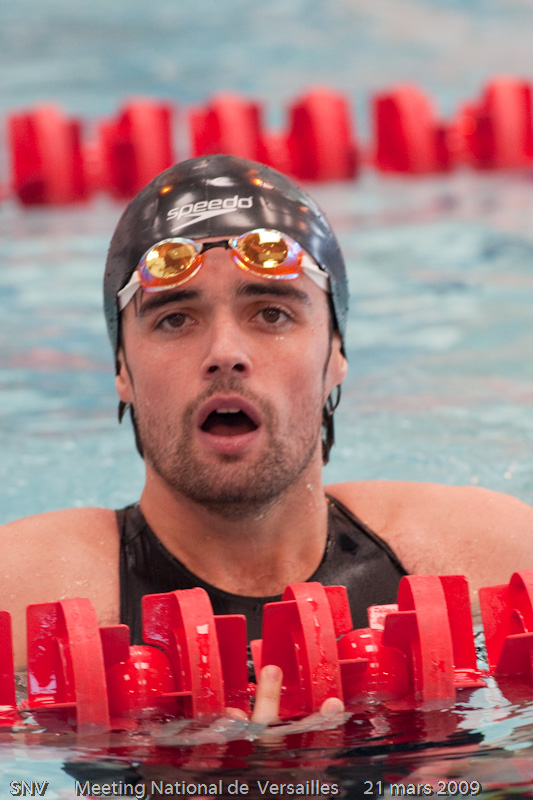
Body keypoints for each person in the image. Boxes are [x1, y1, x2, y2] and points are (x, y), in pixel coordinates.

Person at [1, 155, 532, 722]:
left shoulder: (493, 562)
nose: (225, 353)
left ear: (335, 355)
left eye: (272, 314)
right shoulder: (22, 599)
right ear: (122, 370)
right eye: (175, 319)